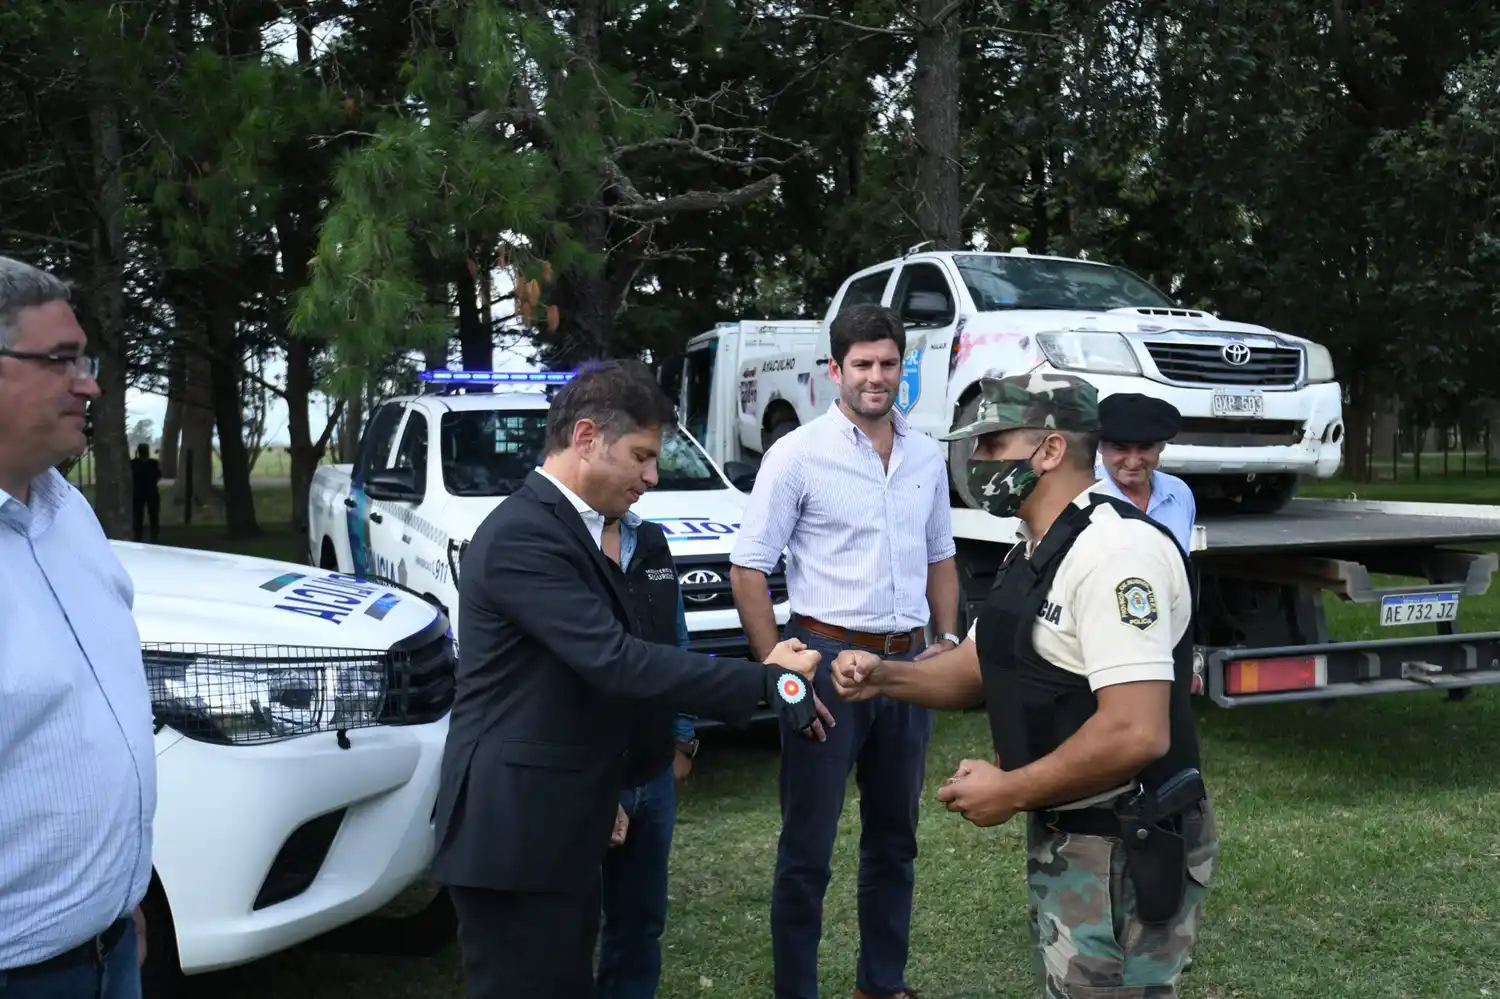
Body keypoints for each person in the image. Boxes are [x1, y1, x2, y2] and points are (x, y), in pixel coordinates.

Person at [429, 358, 823, 999]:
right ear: (586, 438)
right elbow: (616, 659)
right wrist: (766, 678)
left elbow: (603, 678)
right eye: (640, 455)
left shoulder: (579, 533)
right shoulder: (524, 537)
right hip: (515, 838)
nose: (651, 475)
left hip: (561, 823)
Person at [829, 372, 1218, 999]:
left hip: (1127, 836)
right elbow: (983, 665)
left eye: (991, 445)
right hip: (1074, 829)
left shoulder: (1115, 554)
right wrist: (885, 677)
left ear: (1051, 450)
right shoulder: (1034, 549)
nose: (977, 463)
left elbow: (1136, 730)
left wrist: (1010, 789)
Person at [729, 303, 960, 999]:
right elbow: (749, 567)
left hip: (906, 666)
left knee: (896, 840)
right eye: (861, 364)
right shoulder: (797, 454)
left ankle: (880, 984)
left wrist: (945, 642)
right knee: (807, 848)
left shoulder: (924, 452)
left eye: (889, 363)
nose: (876, 377)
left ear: (902, 368)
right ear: (835, 370)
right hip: (824, 661)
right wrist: (778, 665)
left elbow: (942, 557)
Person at [0, 255, 157, 998]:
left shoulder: (71, 513)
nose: (88, 382)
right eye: (61, 360)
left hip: (109, 947)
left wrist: (121, 895)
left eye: (83, 358)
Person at [595, 536, 696, 999]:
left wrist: (681, 739)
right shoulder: (553, 542)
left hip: (653, 769)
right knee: (564, 928)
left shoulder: (650, 541)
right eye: (640, 458)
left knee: (640, 923)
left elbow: (676, 646)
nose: (651, 476)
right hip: (585, 776)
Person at [1093, 393, 1195, 554]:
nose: (1133, 462)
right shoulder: (1082, 496)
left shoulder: (1178, 493)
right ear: (1099, 447)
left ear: (1161, 447)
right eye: (1121, 448)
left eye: (1145, 447)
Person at [129, 443, 161, 543]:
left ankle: (138, 536)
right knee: (153, 516)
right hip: (151, 492)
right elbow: (158, 475)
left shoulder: (133, 464)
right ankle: (153, 536)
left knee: (138, 516)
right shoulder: (153, 463)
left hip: (138, 492)